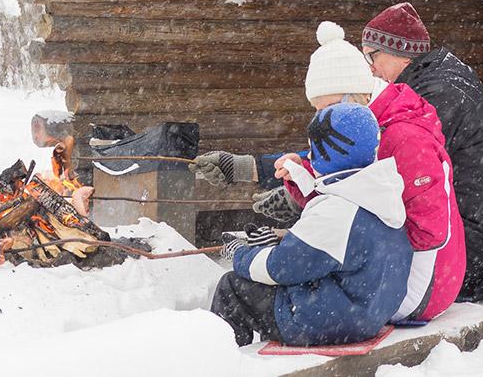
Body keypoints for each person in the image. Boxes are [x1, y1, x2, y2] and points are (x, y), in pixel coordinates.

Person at [197, 21, 466, 322]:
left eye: (328, 108)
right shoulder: (362, 125)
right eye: (318, 110)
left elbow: (428, 232)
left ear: (355, 96)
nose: (323, 118)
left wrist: (336, 247)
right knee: (295, 270)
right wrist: (301, 180)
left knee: (275, 289)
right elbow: (352, 193)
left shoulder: (405, 139)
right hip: (386, 274)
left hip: (421, 285)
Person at [209, 103, 412, 347]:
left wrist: (240, 253)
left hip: (331, 321)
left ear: (327, 151)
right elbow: (325, 254)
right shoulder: (377, 191)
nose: (310, 155)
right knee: (279, 290)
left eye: (312, 148)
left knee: (233, 287)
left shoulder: (338, 211)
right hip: (369, 311)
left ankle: (223, 360)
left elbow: (278, 269)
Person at [360, 2, 483, 299]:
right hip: (476, 242)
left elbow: (382, 162)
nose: (371, 68)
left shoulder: (436, 95)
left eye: (372, 55)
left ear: (399, 53)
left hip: (470, 250)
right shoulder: (438, 80)